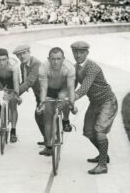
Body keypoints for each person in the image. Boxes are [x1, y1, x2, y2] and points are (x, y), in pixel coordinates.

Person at [71, 41, 118, 175]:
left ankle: (102, 165)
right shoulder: (75, 68)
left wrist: (71, 98)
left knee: (99, 131)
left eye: (81, 52)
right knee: (88, 132)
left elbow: (84, 88)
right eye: (75, 52)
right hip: (94, 103)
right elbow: (71, 87)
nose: (78, 55)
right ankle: (104, 155)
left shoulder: (92, 67)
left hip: (107, 101)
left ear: (87, 53)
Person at [37, 47, 76, 156]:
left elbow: (71, 87)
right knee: (48, 116)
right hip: (50, 89)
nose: (55, 62)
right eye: (53, 59)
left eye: (58, 59)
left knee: (63, 97)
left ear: (63, 59)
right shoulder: (43, 67)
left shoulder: (69, 67)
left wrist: (72, 103)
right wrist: (42, 102)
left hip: (64, 88)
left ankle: (65, 120)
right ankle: (49, 146)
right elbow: (43, 87)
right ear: (48, 59)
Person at [12, 44, 45, 145]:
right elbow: (24, 82)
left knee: (40, 116)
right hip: (38, 94)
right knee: (40, 117)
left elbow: (29, 82)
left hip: (46, 93)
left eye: (24, 53)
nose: (22, 56)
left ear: (29, 52)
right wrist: (15, 91)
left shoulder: (36, 64)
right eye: (19, 55)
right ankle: (48, 139)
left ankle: (50, 142)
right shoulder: (23, 65)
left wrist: (16, 93)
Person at [0, 48, 21, 143]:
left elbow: (16, 82)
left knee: (13, 105)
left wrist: (16, 95)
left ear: (8, 59)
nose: (1, 63)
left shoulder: (13, 64)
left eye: (3, 60)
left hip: (11, 80)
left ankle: (13, 131)